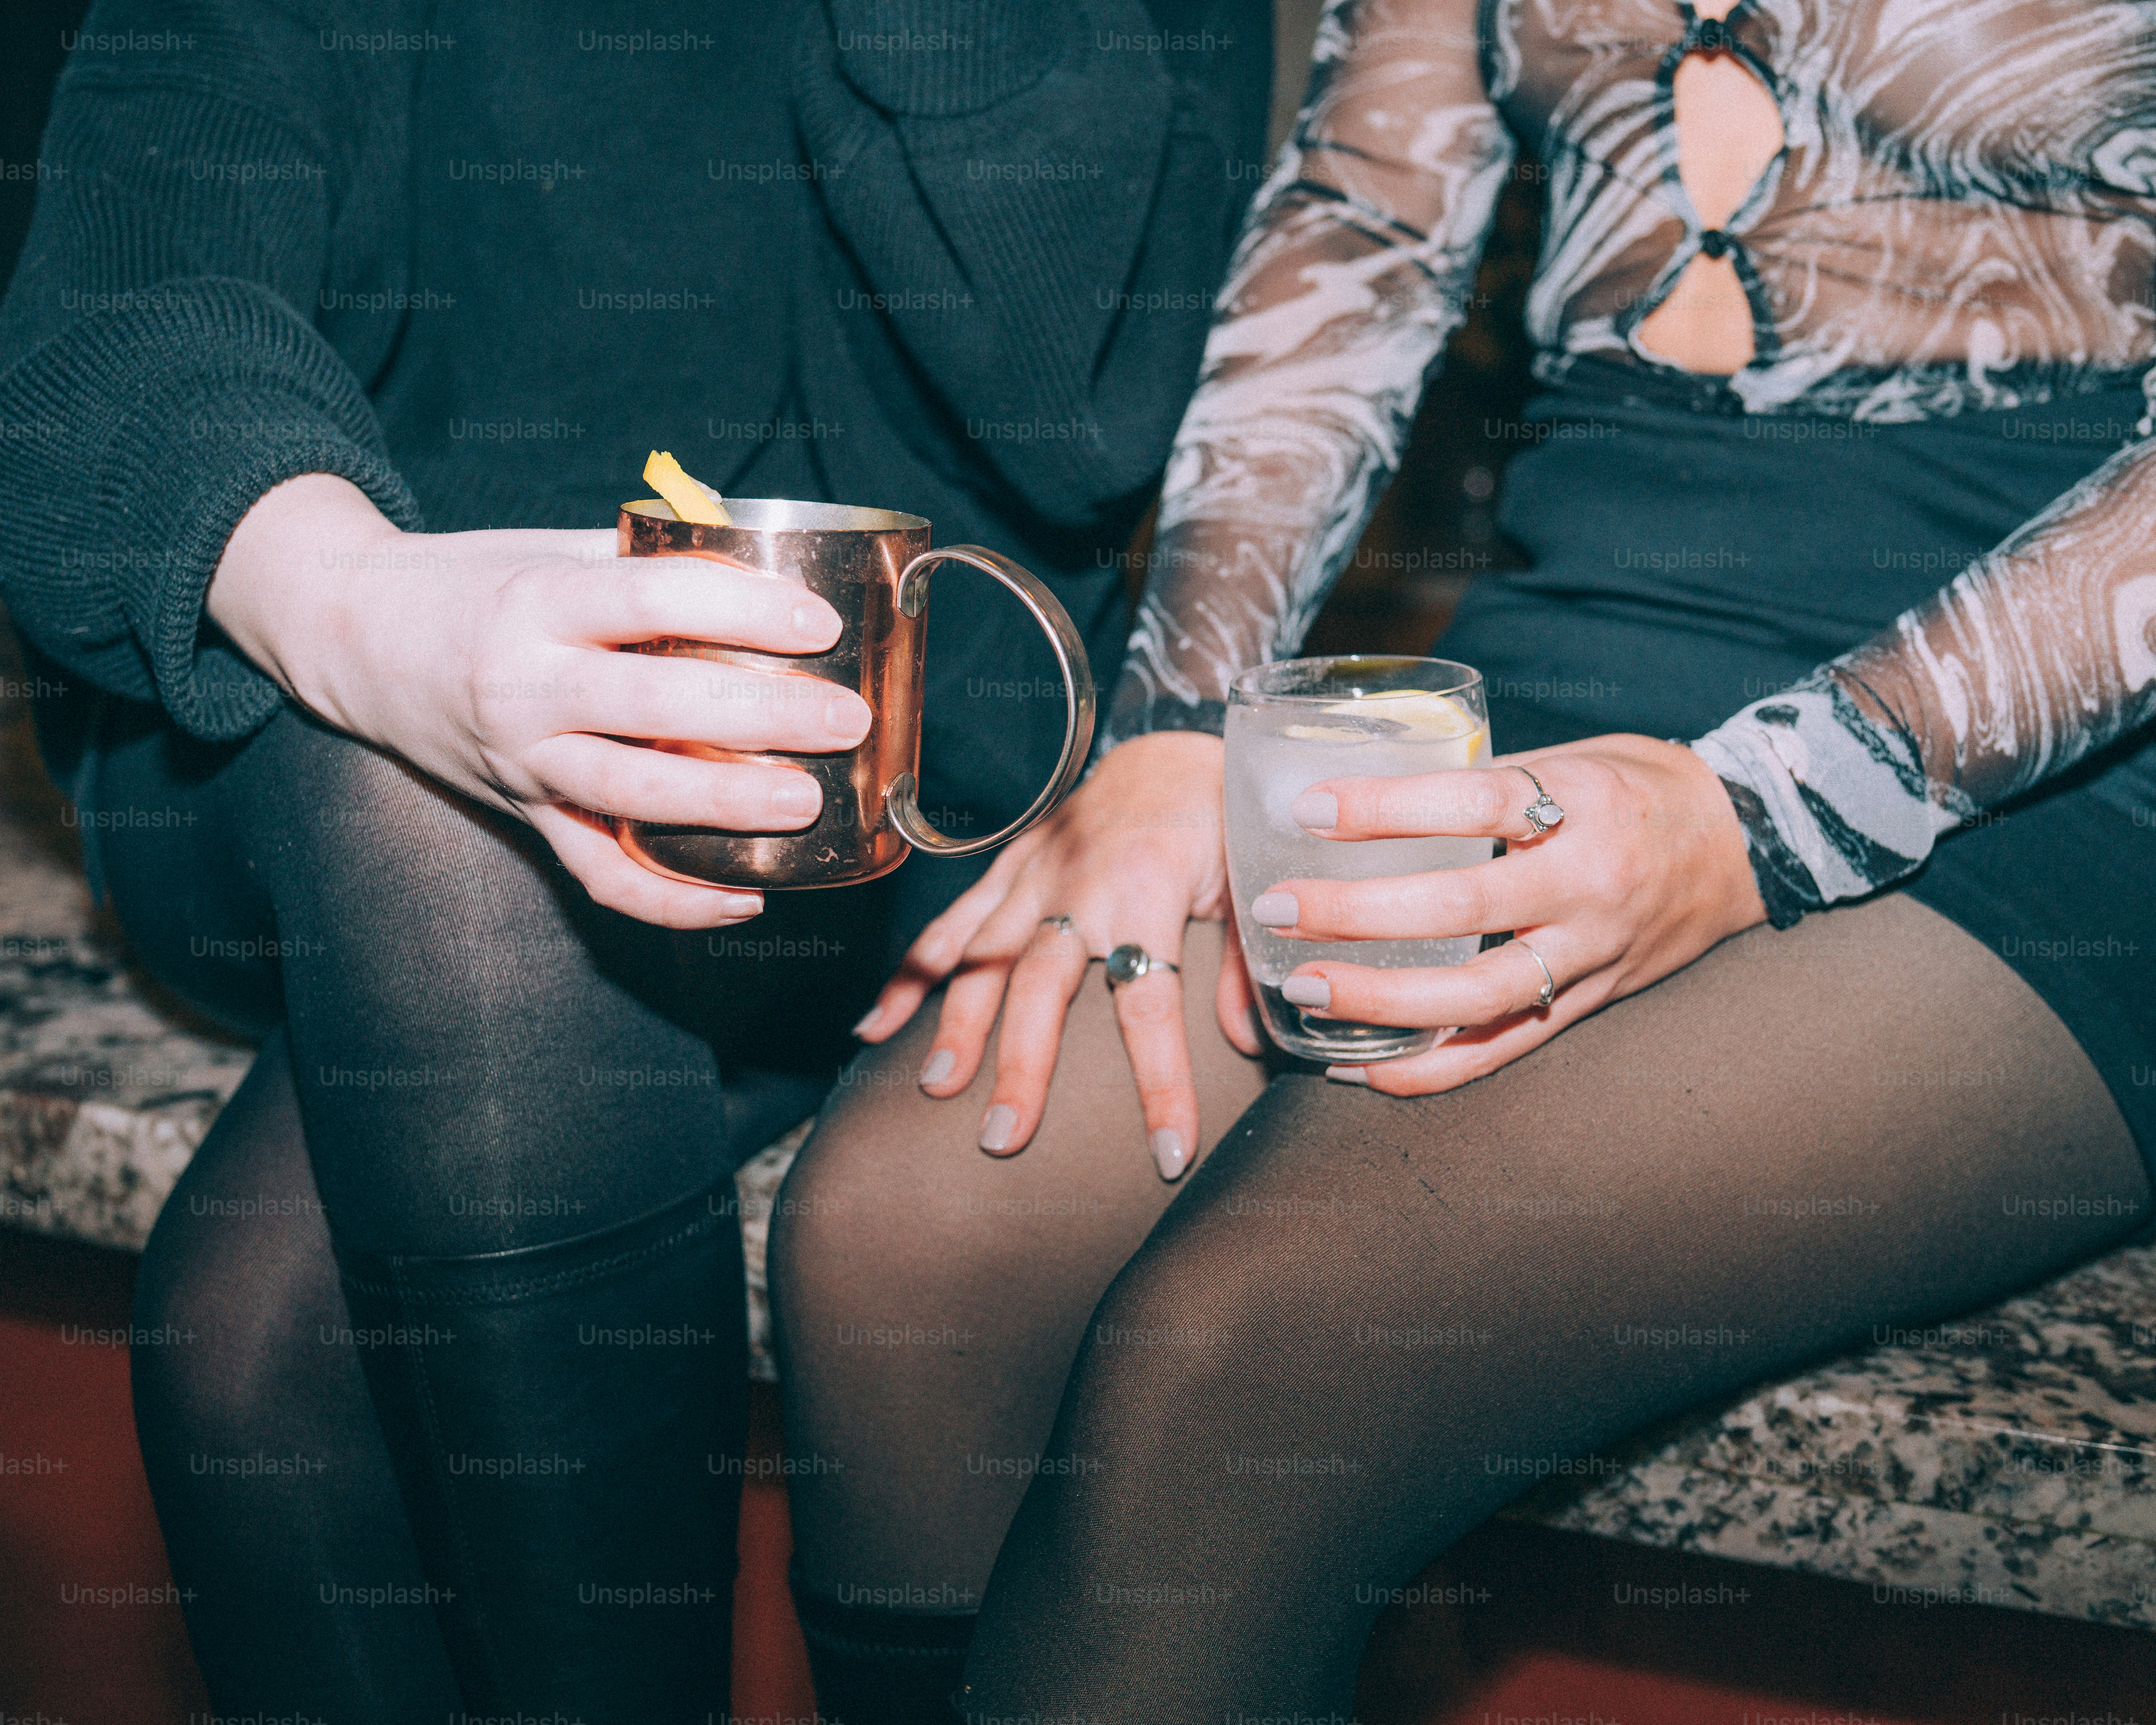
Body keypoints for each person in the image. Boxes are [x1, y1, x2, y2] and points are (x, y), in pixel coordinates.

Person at [766, 0, 2156, 1718]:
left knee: (1252, 1352)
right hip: (1582, 632)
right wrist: (1184, 722)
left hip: (2067, 734)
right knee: (909, 1235)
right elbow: (1362, 215)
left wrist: (1769, 811)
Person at [0, 1, 1268, 1719]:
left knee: (257, 1336)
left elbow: (1085, 408)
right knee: (440, 843)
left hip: (882, 769)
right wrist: (394, 626)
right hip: (295, 697)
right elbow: (102, 329)